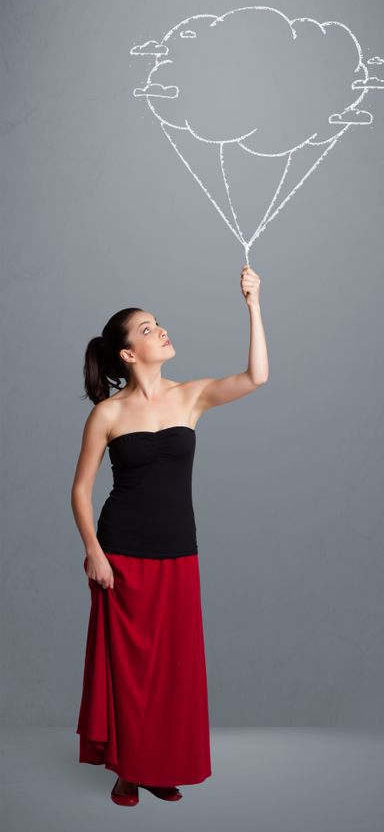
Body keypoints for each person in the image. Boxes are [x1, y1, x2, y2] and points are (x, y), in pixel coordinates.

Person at [71, 265, 269, 806]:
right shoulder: (107, 413)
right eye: (147, 328)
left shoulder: (192, 396)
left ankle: (160, 766)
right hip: (121, 553)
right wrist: (94, 552)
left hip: (179, 550)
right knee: (129, 671)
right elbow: (81, 490)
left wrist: (253, 305)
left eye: (158, 323)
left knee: (172, 671)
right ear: (128, 355)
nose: (161, 330)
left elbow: (256, 377)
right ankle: (128, 768)